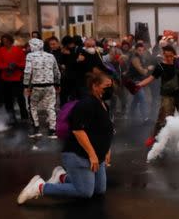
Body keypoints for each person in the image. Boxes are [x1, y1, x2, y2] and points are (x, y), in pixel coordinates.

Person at [17, 71, 114, 204]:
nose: (110, 89)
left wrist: (107, 149)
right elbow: (78, 130)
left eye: (111, 85)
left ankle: (62, 177)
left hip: (98, 156)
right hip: (79, 155)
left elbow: (104, 130)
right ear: (95, 86)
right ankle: (40, 187)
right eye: (107, 86)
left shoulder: (104, 104)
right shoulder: (86, 104)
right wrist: (92, 155)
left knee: (99, 189)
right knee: (85, 192)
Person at [136, 45, 179, 146]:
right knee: (162, 118)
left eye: (171, 56)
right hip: (167, 96)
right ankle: (153, 137)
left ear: (174, 55)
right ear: (163, 55)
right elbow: (150, 78)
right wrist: (139, 85)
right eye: (166, 56)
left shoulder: (178, 64)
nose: (169, 58)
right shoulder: (160, 66)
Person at [23, 38, 61, 139]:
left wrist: (26, 86)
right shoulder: (51, 56)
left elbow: (27, 72)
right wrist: (57, 84)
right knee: (51, 107)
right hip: (50, 85)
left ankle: (36, 129)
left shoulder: (30, 56)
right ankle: (52, 131)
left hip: (36, 86)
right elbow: (56, 71)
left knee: (33, 106)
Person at [0, 34, 28, 124]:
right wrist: (7, 67)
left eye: (7, 40)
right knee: (7, 99)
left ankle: (24, 115)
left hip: (17, 77)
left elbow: (23, 63)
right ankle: (11, 116)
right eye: (3, 41)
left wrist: (16, 65)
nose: (5, 42)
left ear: (10, 41)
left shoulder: (18, 50)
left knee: (20, 98)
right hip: (6, 77)